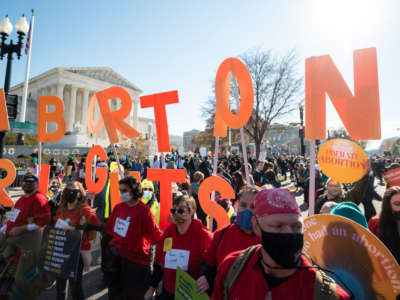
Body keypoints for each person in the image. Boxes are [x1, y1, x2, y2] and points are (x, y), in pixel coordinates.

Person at [211, 188, 351, 300]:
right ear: (256, 227)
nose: (288, 233)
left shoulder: (328, 295)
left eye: (296, 227)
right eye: (278, 226)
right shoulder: (232, 270)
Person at [105, 176, 163, 299]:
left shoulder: (144, 211)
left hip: (136, 263)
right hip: (118, 260)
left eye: (124, 190)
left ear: (134, 191)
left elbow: (155, 236)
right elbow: (110, 228)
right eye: (120, 190)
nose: (121, 193)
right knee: (116, 294)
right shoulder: (118, 208)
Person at [145, 195, 212, 300]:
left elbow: (212, 264)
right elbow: (158, 263)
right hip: (168, 291)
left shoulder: (203, 235)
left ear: (192, 211)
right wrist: (152, 288)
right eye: (173, 210)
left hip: (190, 293)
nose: (176, 214)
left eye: (181, 211)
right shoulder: (168, 233)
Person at [197, 185, 261, 295]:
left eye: (253, 207)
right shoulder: (221, 234)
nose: (247, 210)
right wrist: (207, 278)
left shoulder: (267, 240)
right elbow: (208, 264)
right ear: (237, 205)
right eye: (243, 205)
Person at [0, 173, 51, 299]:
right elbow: (13, 218)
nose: (28, 184)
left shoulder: (39, 198)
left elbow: (44, 220)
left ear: (36, 184)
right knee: (11, 265)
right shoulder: (22, 199)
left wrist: (23, 228)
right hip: (15, 241)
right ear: (22, 184)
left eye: (31, 182)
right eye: (26, 182)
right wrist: (4, 228)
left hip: (29, 242)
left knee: (23, 274)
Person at [53, 181, 100, 300]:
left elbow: (97, 225)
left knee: (75, 286)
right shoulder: (60, 208)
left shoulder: (84, 210)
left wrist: (81, 227)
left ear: (80, 194)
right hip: (60, 249)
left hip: (77, 253)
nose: (70, 192)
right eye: (68, 189)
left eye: (74, 190)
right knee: (60, 286)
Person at [368, 186, 400, 264]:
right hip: (386, 271)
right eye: (397, 204)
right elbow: (368, 250)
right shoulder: (375, 223)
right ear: (388, 206)